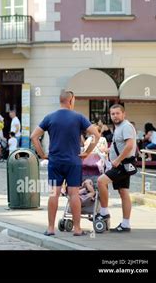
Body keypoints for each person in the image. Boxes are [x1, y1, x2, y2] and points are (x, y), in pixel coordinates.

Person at [30, 90, 100, 237]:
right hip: (74, 161)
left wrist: (42, 154)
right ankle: (77, 229)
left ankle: (50, 228)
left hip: (55, 161)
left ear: (60, 100)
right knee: (73, 194)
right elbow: (96, 134)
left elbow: (34, 136)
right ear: (71, 100)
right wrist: (87, 151)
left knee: (53, 194)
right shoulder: (79, 117)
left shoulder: (50, 117)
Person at [96, 104, 137, 233]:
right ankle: (125, 224)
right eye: (112, 114)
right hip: (121, 164)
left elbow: (130, 145)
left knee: (101, 181)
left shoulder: (126, 126)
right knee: (123, 192)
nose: (115, 116)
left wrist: (117, 160)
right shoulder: (119, 127)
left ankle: (104, 212)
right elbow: (119, 145)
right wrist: (107, 150)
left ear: (123, 114)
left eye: (117, 113)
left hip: (121, 165)